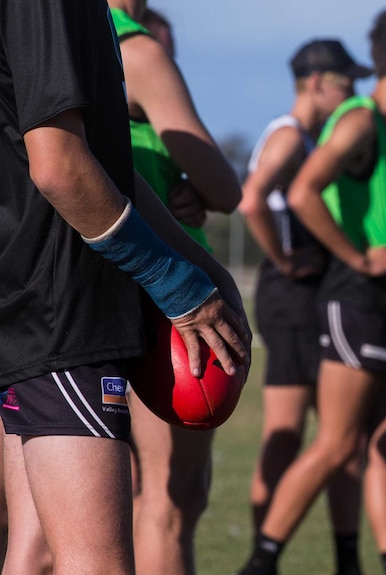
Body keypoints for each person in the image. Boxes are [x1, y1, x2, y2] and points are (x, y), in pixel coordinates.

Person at [0, 1, 250, 574]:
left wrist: (202, 269)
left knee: (35, 551)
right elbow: (59, 167)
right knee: (99, 561)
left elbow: (104, 161)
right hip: (58, 297)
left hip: (45, 296)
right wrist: (175, 283)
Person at [236, 8, 386, 575]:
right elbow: (304, 191)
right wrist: (354, 255)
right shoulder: (358, 121)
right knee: (335, 444)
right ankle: (262, 561)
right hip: (355, 298)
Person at [108, 2, 244, 574]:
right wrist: (196, 187)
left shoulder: (47, 30)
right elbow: (225, 186)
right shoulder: (136, 47)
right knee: (169, 502)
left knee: (44, 512)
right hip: (157, 294)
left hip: (57, 286)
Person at [240, 39, 374, 575]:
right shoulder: (291, 137)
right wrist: (282, 258)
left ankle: (346, 558)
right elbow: (253, 198)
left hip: (314, 295)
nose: (354, 92)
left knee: (341, 438)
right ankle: (261, 557)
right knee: (288, 432)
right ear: (318, 82)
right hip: (291, 295)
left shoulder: (313, 138)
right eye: (346, 82)